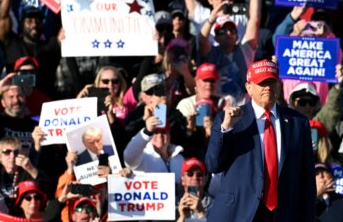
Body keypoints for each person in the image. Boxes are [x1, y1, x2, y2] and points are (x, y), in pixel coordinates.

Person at [205, 60, 316, 221]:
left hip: (282, 214)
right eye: (262, 83)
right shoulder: (229, 118)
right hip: (238, 213)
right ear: (249, 87)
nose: (267, 87)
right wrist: (227, 129)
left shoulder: (298, 122)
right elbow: (213, 165)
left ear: (279, 85)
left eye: (271, 82)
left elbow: (306, 178)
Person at [124, 116, 185, 184]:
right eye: (155, 132)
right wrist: (146, 132)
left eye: (164, 132)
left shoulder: (179, 159)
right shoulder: (143, 155)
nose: (160, 136)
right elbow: (129, 157)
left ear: (169, 135)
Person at [177, 158, 213, 222]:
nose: (195, 177)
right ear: (182, 179)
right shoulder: (172, 203)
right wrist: (182, 218)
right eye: (190, 174)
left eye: (200, 175)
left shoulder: (214, 205)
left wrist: (201, 213)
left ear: (206, 179)